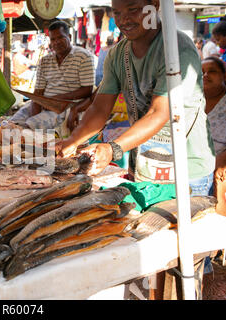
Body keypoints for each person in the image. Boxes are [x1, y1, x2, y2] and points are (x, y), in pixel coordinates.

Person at [57, 0, 216, 196]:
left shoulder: (177, 49)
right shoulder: (117, 55)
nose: (124, 19)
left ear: (155, 5)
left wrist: (112, 149)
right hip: (145, 166)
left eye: (133, 9)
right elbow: (99, 109)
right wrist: (72, 141)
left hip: (187, 170)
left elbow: (159, 113)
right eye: (117, 12)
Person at [10, 20, 95, 131]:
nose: (56, 42)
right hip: (44, 104)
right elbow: (38, 93)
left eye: (60, 37)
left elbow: (87, 90)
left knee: (28, 126)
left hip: (66, 108)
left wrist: (57, 99)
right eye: (53, 39)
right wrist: (35, 113)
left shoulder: (83, 56)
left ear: (69, 36)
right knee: (12, 124)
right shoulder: (45, 60)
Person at [202, 56, 226, 214]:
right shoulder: (193, 101)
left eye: (212, 71)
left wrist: (221, 161)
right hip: (197, 169)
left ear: (224, 75)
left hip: (220, 171)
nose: (205, 75)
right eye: (202, 72)